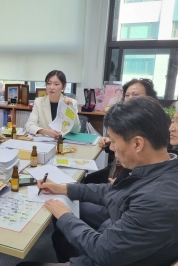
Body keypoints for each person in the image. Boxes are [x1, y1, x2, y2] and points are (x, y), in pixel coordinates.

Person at [21, 97, 178, 266]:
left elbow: (102, 251)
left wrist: (65, 215)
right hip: (113, 233)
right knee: (61, 232)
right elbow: (112, 192)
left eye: (114, 140)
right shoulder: (155, 167)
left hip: (106, 254)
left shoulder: (156, 199)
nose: (111, 147)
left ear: (137, 144)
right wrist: (63, 188)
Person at [25, 70, 80, 137]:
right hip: (43, 142)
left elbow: (76, 130)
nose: (51, 87)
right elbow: (29, 125)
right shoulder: (38, 102)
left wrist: (70, 108)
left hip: (63, 143)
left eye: (56, 84)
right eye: (49, 83)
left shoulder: (72, 102)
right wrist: (45, 131)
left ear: (64, 87)